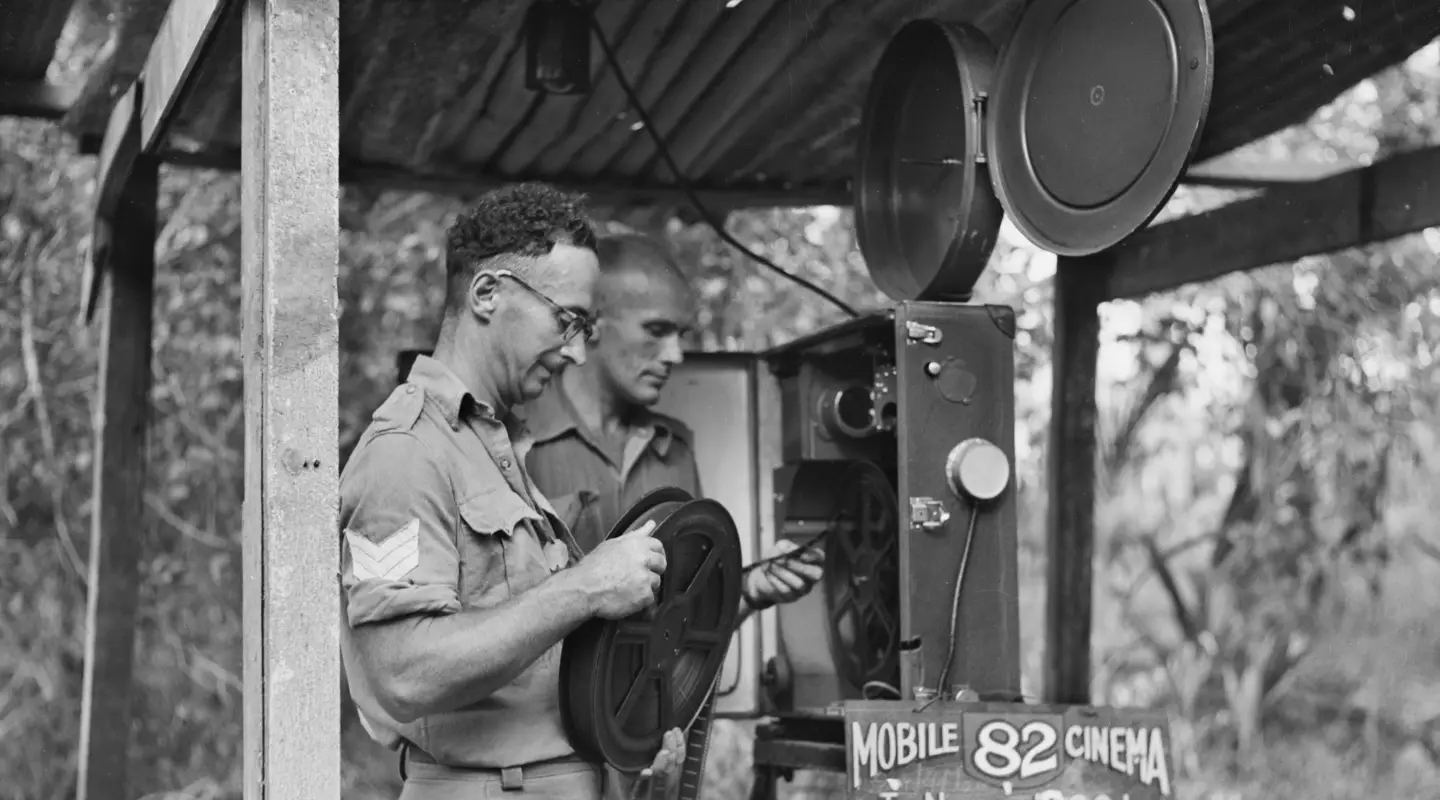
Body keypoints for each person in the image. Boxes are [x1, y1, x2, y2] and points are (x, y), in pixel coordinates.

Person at [338, 185, 686, 800]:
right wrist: (585, 587)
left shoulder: (494, 447)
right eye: (568, 320)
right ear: (487, 294)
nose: (578, 352)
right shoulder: (404, 454)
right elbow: (402, 672)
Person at [522, 230, 824, 630]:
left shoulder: (675, 449)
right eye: (656, 330)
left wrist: (750, 588)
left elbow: (684, 624)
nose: (675, 355)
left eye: (680, 335)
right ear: (592, 324)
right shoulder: (514, 440)